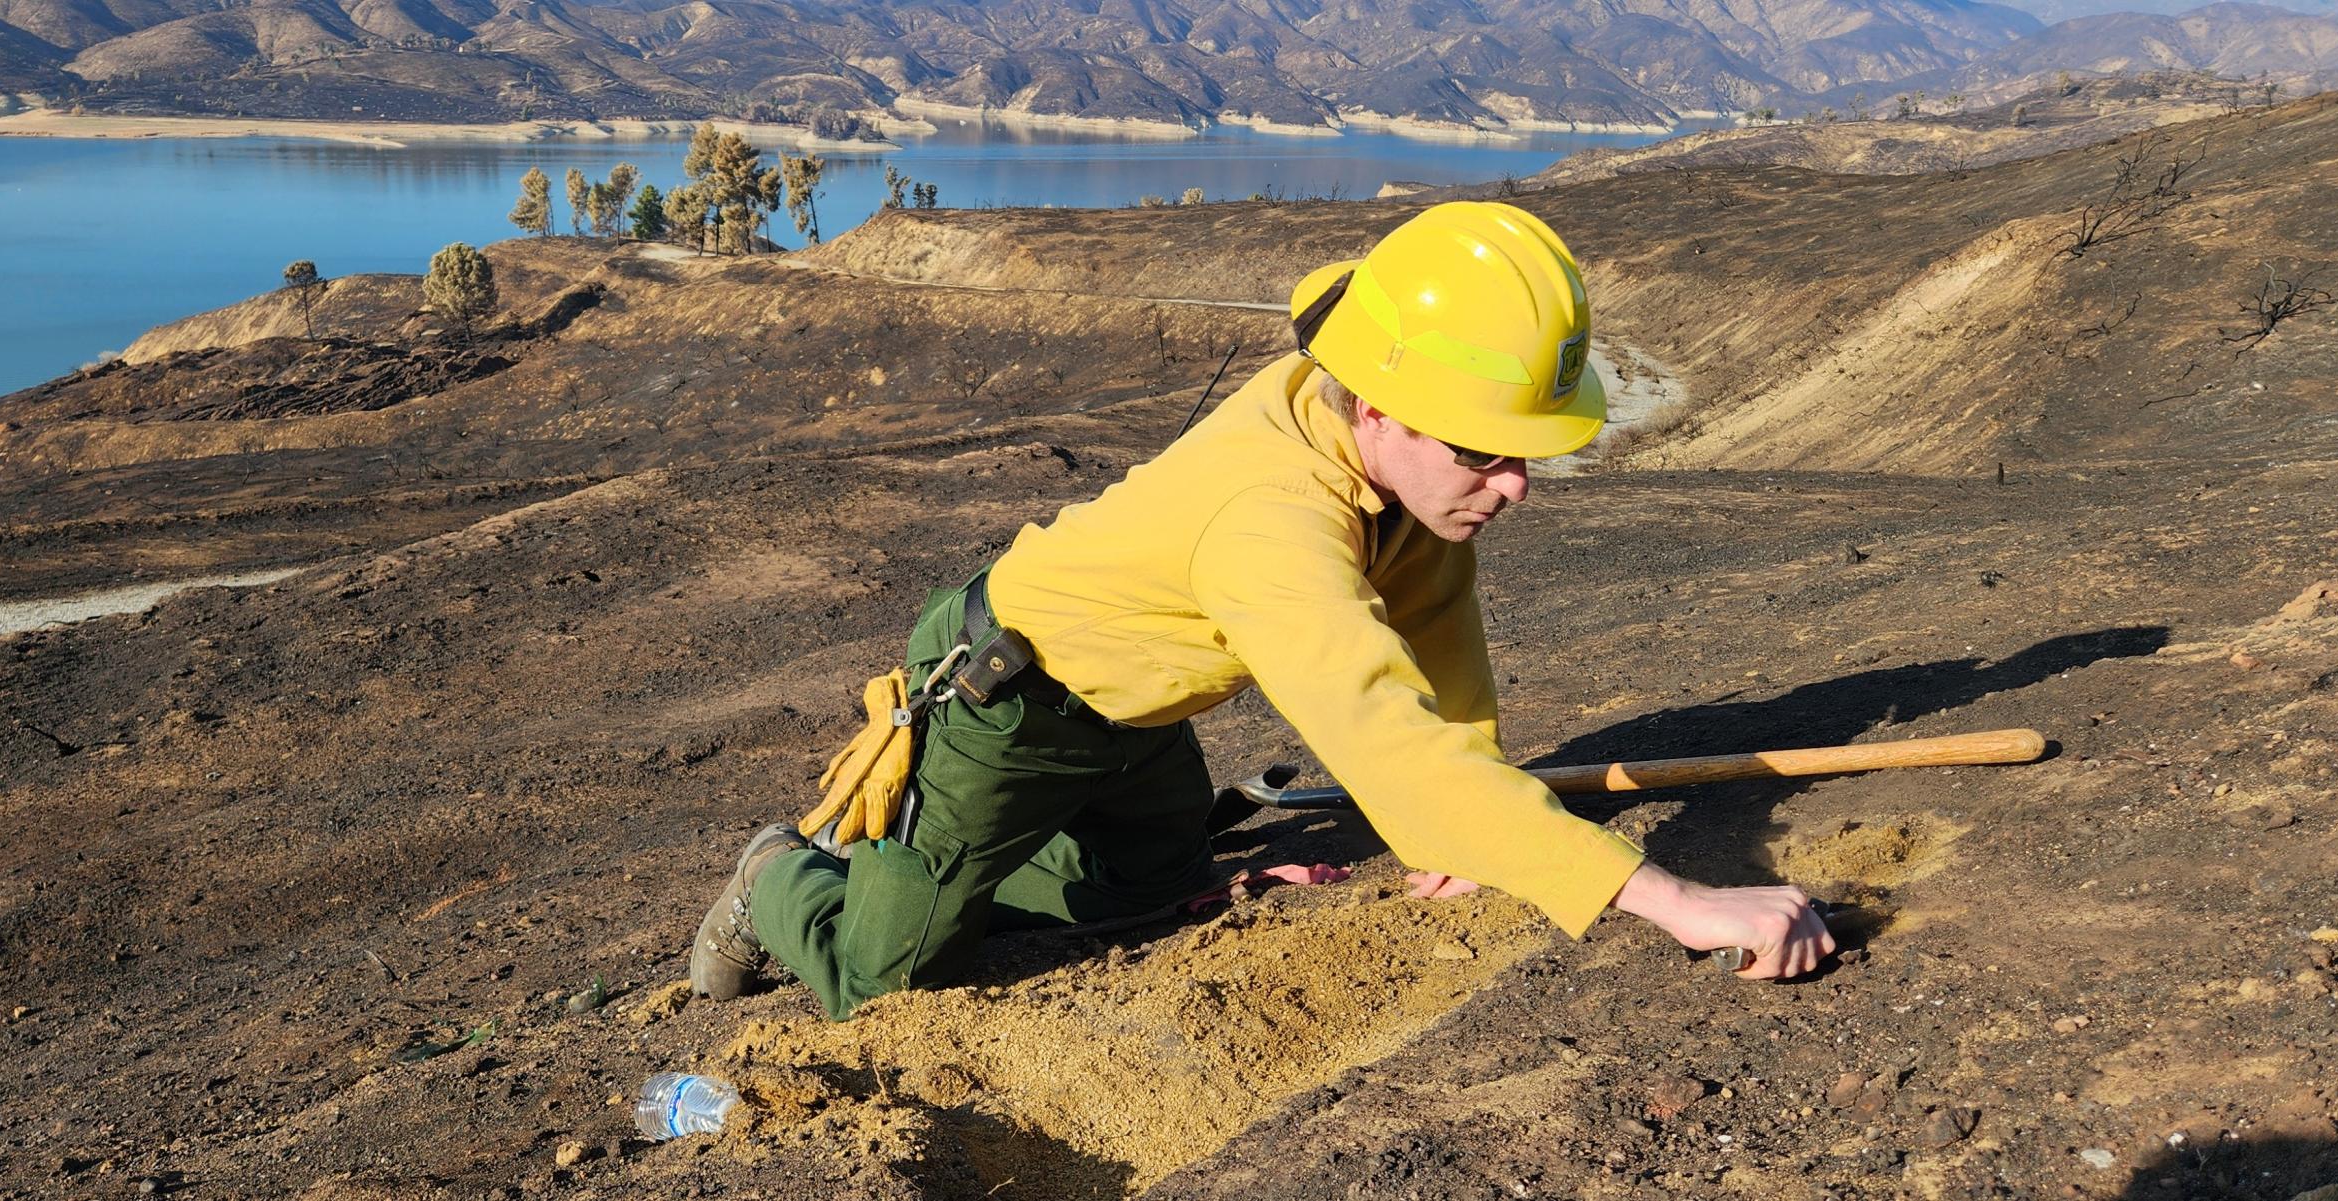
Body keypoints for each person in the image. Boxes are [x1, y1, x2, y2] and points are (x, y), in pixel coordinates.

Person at [690, 201, 1834, 1021]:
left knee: (1142, 896)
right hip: (1009, 701)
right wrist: (1674, 898)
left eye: (1526, 451)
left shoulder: (1372, 437)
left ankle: (955, 873)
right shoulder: (1270, 527)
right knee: (889, 980)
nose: (1515, 482)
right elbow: (1382, 732)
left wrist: (1456, 824)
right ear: (1380, 406)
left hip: (1134, 720)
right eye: (1485, 450)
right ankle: (779, 877)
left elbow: (1436, 636)